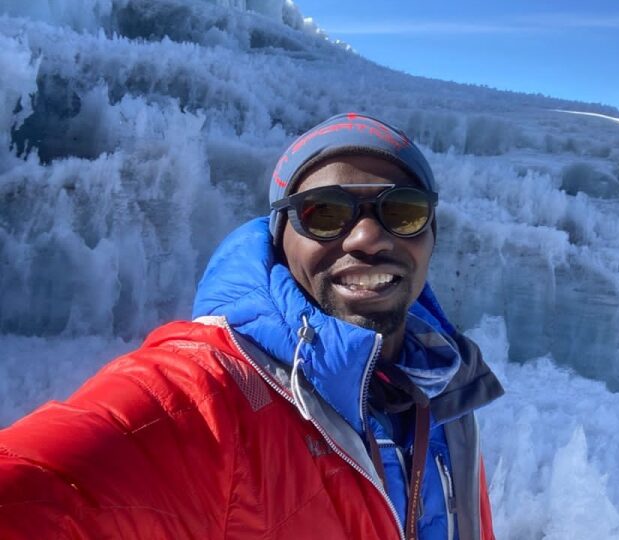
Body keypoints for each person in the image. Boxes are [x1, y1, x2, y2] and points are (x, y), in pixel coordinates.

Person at [0, 113, 504, 539]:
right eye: (325, 214)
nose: (368, 237)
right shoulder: (215, 393)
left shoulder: (445, 397)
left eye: (403, 211)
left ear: (431, 235)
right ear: (281, 238)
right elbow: (43, 486)